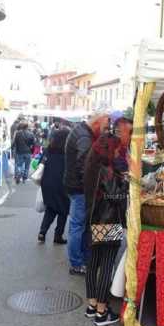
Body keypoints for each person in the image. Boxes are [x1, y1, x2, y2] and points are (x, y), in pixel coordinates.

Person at [83, 132, 129, 326]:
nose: (119, 151)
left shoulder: (93, 164)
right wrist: (126, 183)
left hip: (94, 219)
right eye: (117, 148)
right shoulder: (107, 170)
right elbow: (115, 197)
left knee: (93, 263)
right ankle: (102, 311)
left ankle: (92, 305)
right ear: (110, 150)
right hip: (108, 221)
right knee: (107, 265)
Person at [63, 112, 110, 275]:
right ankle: (76, 263)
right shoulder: (84, 137)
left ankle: (82, 259)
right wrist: (93, 189)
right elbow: (85, 166)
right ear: (96, 123)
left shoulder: (82, 131)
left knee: (80, 225)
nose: (105, 131)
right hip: (80, 189)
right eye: (104, 127)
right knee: (78, 225)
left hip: (75, 186)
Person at [37, 127, 71, 244]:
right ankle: (58, 235)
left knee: (51, 208)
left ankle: (42, 232)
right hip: (62, 183)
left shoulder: (48, 149)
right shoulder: (68, 152)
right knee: (63, 210)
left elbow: (40, 163)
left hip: (47, 182)